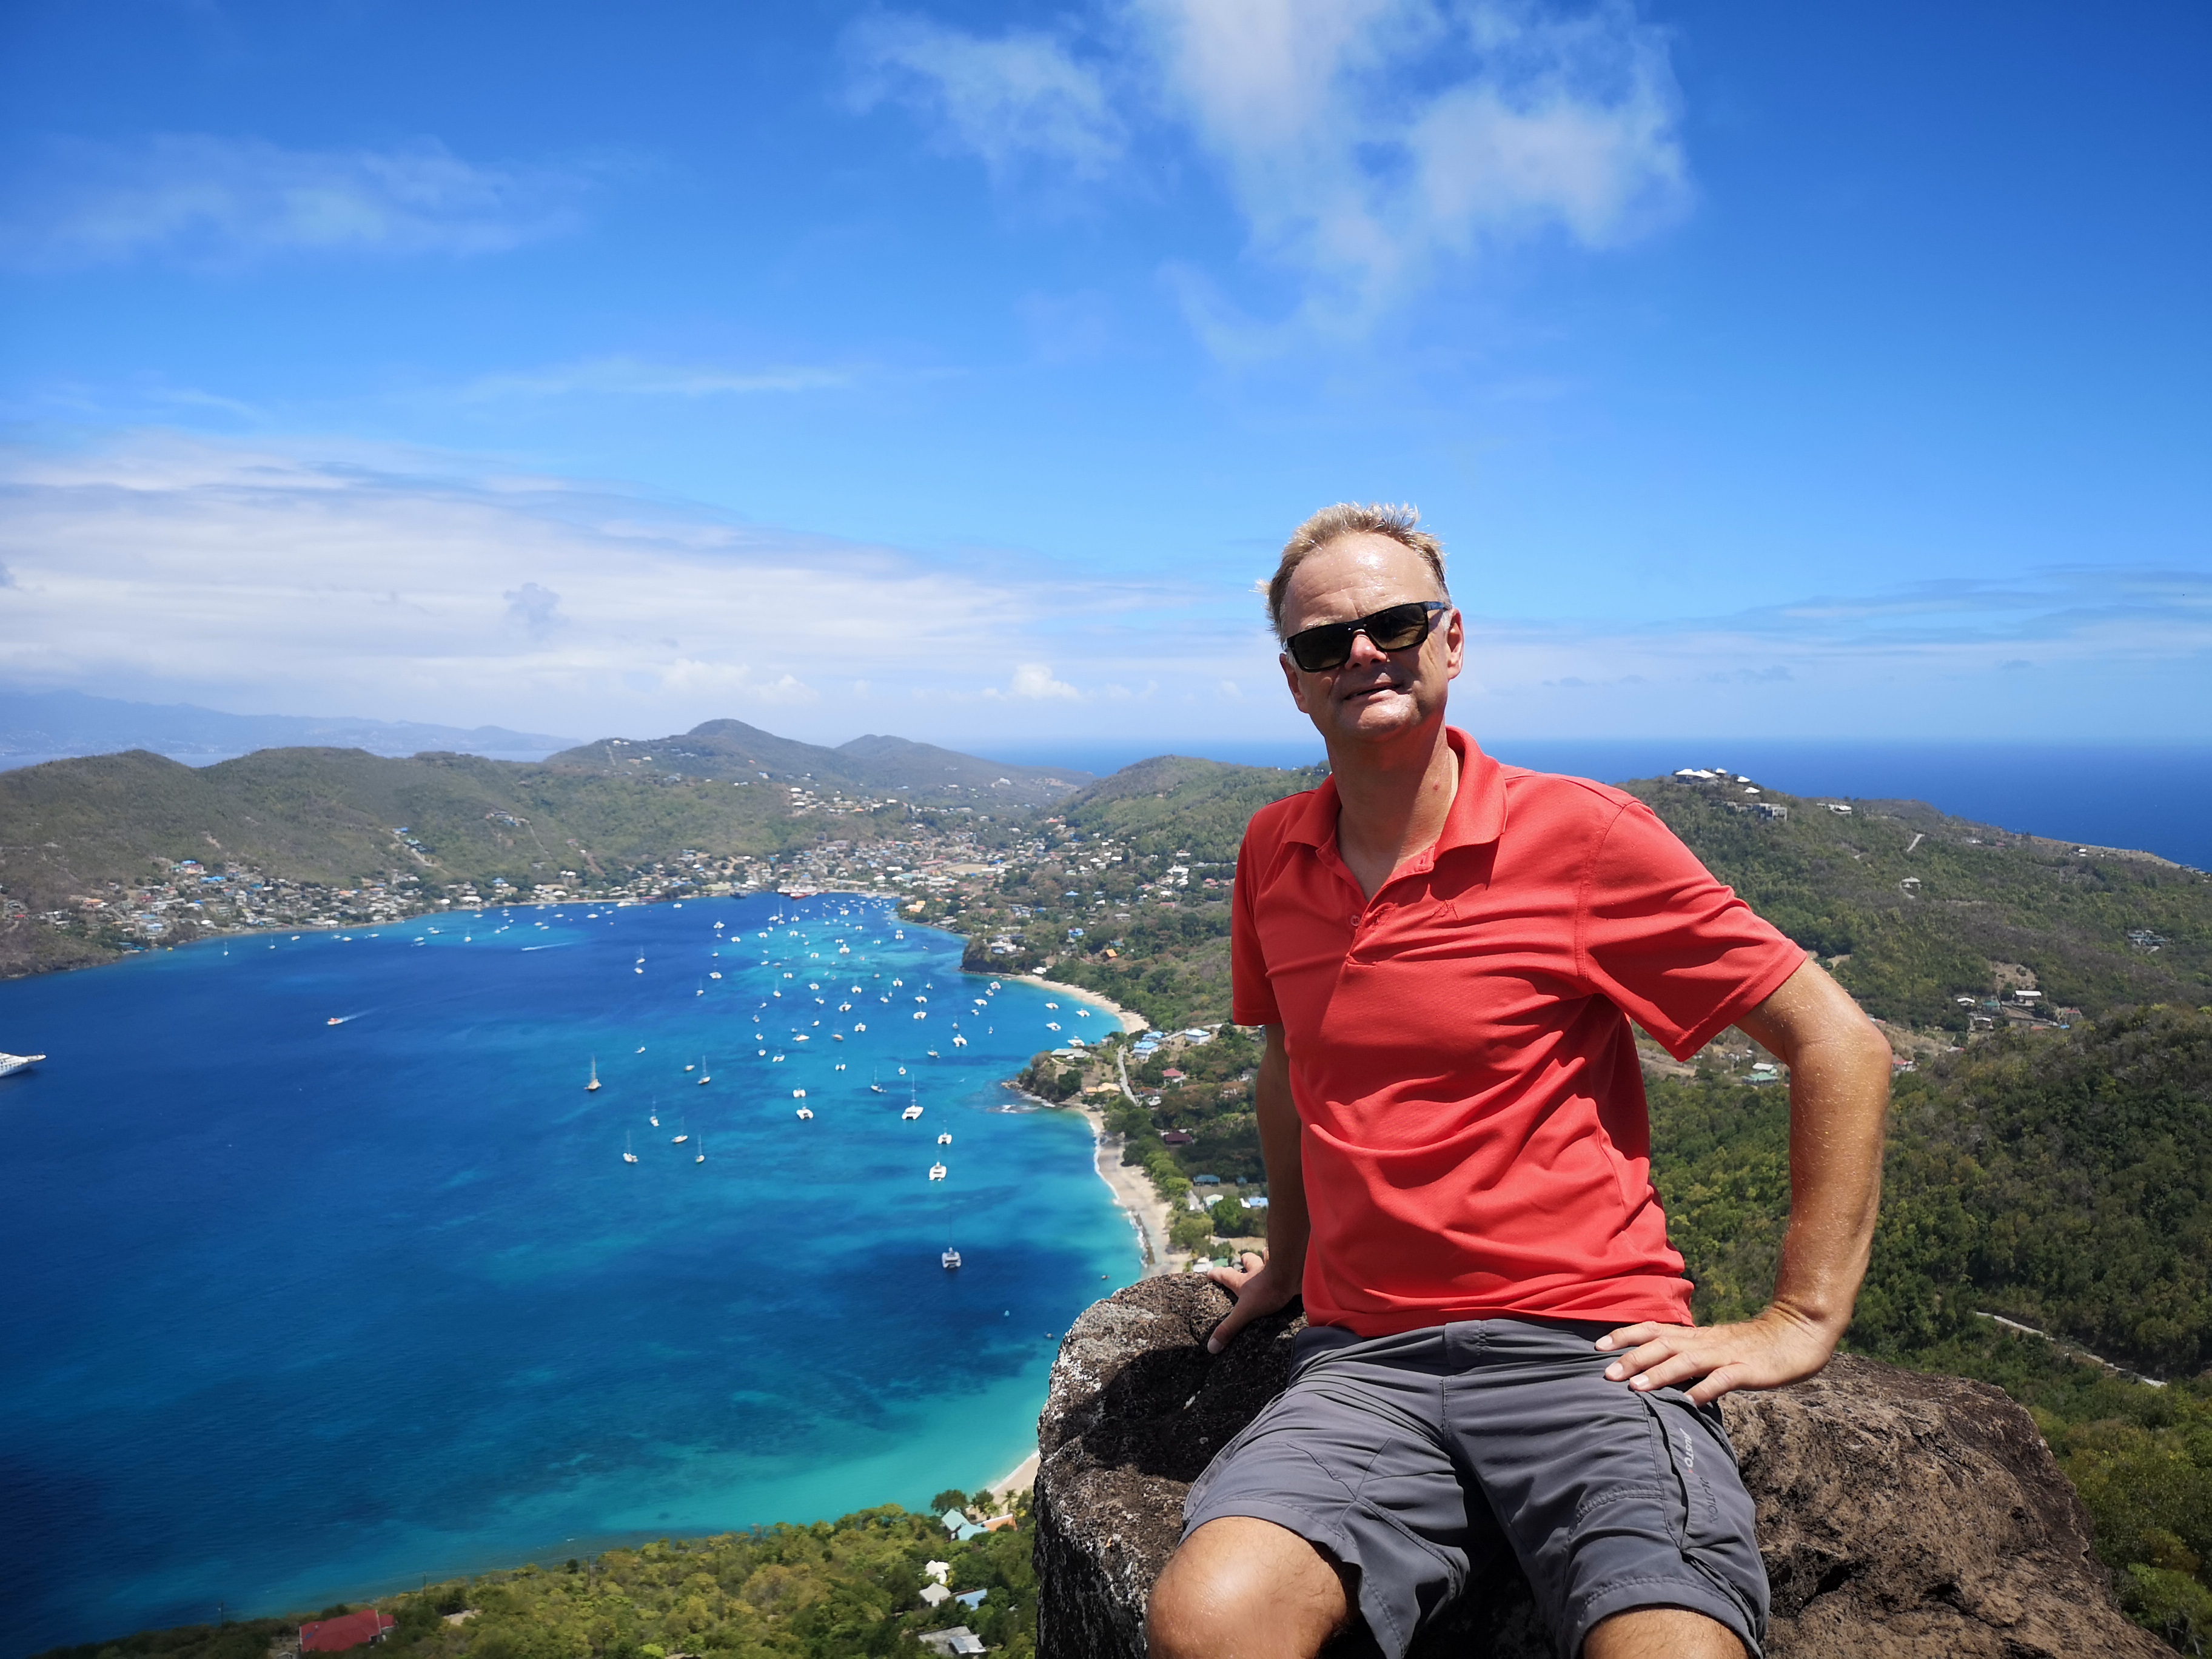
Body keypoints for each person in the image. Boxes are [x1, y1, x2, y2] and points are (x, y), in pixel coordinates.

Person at [1145, 504, 1892, 1659]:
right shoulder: (1271, 850)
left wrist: (1801, 1318)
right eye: (1324, 642)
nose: (1363, 654)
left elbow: (1838, 1042)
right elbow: (1289, 1069)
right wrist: (1288, 1265)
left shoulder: (1583, 837)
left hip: (1586, 1347)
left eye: (1396, 623)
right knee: (1209, 1622)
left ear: (1453, 640)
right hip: (1364, 1359)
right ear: (1293, 682)